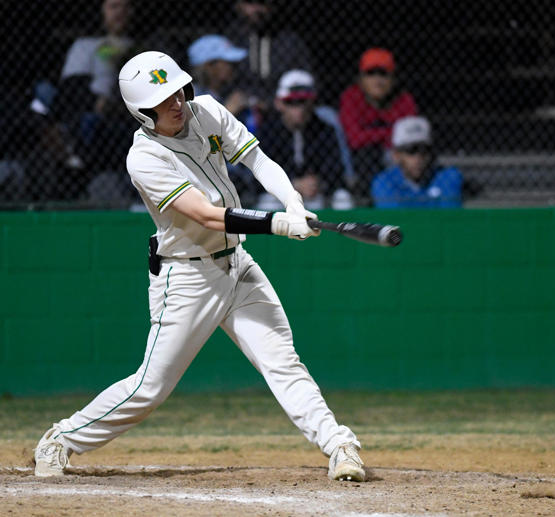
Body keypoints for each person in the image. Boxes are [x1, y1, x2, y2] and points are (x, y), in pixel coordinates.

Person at [32, 51, 365, 483]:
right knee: (150, 387)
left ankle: (339, 445)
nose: (176, 104)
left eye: (178, 91)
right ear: (142, 114)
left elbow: (257, 160)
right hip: (187, 277)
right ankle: (61, 438)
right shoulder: (145, 157)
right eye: (163, 101)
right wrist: (279, 224)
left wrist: (292, 200)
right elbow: (206, 214)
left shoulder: (204, 110)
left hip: (237, 266)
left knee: (283, 362)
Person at [29, 0, 138, 199]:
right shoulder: (85, 45)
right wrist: (95, 102)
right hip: (83, 108)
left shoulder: (142, 47)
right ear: (102, 12)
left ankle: (72, 152)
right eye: (113, 6)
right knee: (44, 94)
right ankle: (69, 148)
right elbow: (72, 86)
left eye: (125, 6)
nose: (120, 12)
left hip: (120, 111)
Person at [256, 70, 352, 210]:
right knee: (268, 203)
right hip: (279, 194)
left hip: (316, 195)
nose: (299, 109)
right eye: (291, 102)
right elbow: (258, 175)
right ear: (279, 103)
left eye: (303, 102)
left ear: (312, 103)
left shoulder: (324, 130)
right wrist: (294, 184)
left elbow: (336, 172)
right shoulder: (268, 132)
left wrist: (318, 183)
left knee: (342, 198)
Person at [339, 47, 418, 201]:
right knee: (366, 154)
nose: (377, 80)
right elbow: (354, 139)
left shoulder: (404, 100)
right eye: (371, 74)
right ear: (361, 78)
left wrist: (371, 134)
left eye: (383, 74)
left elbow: (411, 139)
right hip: (361, 160)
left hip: (396, 157)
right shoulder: (351, 97)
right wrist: (391, 133)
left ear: (393, 78)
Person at [225, 0, 313, 118]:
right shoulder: (231, 39)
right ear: (239, 5)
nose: (256, 10)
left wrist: (273, 103)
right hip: (239, 108)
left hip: (280, 110)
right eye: (250, 3)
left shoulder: (289, 41)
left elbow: (304, 82)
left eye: (261, 3)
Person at [371, 116, 462, 208]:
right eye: (411, 150)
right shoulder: (384, 182)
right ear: (396, 155)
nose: (418, 157)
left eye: (424, 149)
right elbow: (395, 219)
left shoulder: (448, 176)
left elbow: (450, 217)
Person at [188, 34, 249, 117]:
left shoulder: (222, 94)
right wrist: (228, 111)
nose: (234, 68)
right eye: (228, 63)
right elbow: (198, 129)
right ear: (209, 66)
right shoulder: (192, 96)